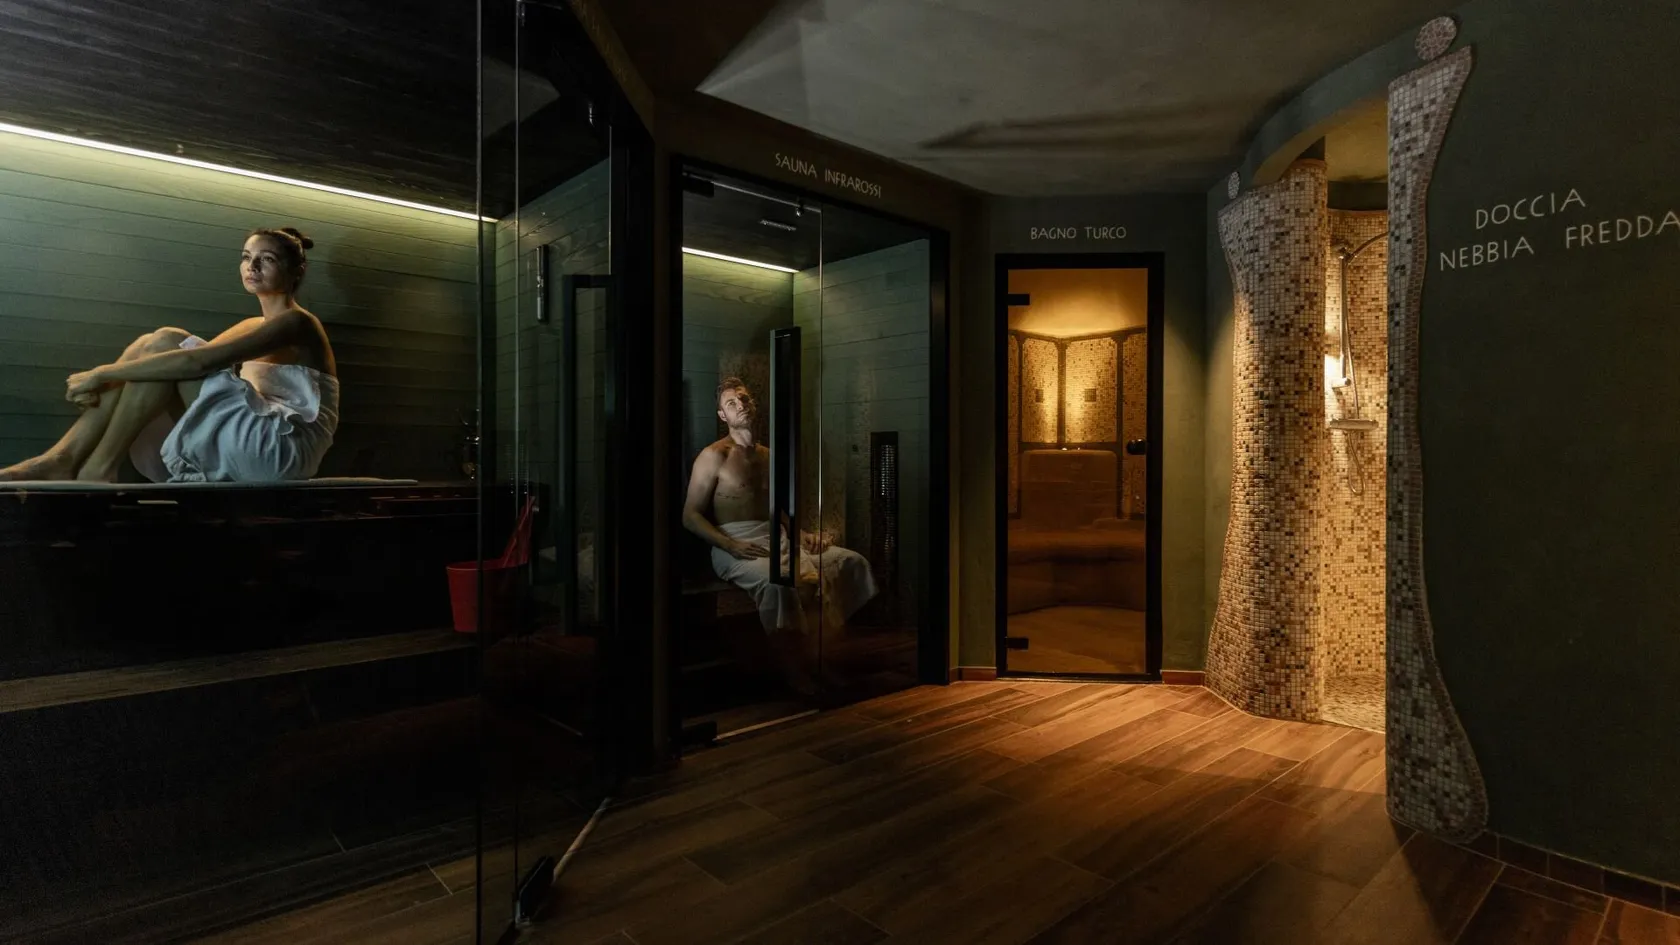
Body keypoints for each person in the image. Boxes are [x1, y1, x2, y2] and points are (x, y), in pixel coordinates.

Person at [0, 228, 340, 484]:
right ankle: (65, 459)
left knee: (165, 342)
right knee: (151, 345)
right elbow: (177, 358)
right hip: (257, 442)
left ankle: (92, 467)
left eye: (267, 259)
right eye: (246, 256)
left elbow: (197, 362)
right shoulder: (256, 325)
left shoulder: (297, 323)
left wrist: (100, 375)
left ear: (296, 270)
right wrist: (115, 372)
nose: (251, 266)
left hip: (281, 451)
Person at [682, 376, 877, 649]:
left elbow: (774, 509)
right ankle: (791, 660)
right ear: (722, 415)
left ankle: (820, 649)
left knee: (849, 562)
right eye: (731, 403)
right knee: (779, 584)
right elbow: (690, 516)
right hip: (734, 542)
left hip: (776, 537)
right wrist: (730, 544)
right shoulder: (713, 456)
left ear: (753, 404)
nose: (740, 404)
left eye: (744, 398)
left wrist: (800, 534)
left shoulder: (769, 456)